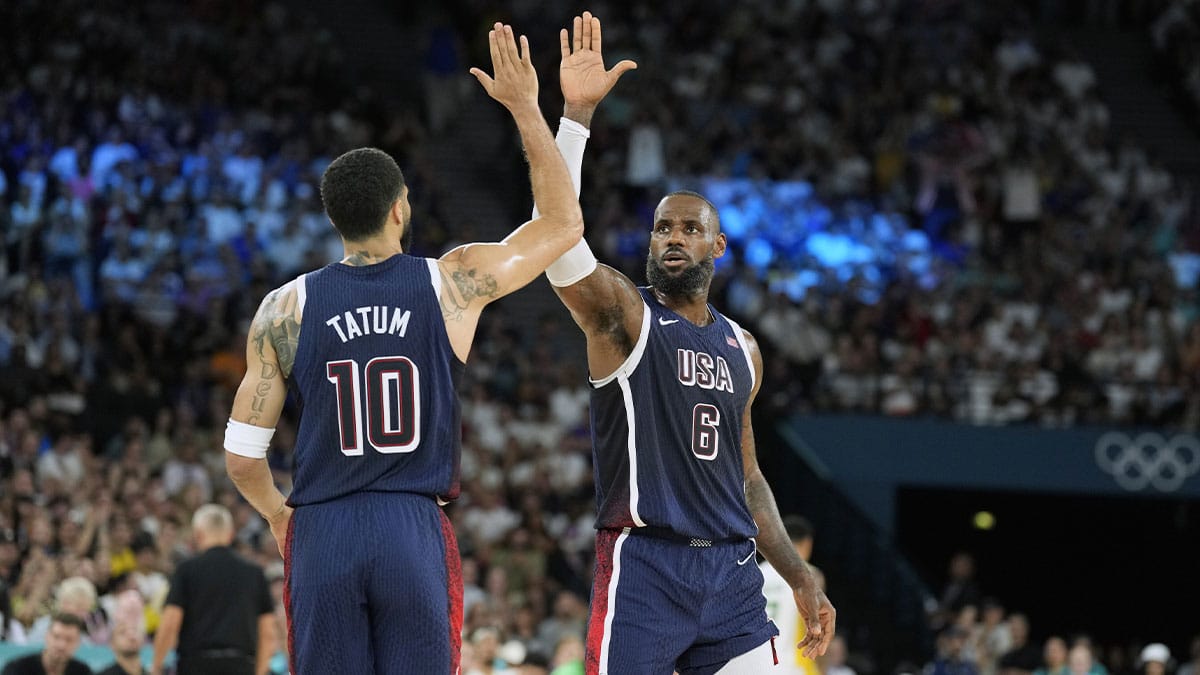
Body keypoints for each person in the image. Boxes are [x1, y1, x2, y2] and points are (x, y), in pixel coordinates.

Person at [222, 20, 585, 675]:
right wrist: (530, 109)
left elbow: (243, 458)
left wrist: (282, 518)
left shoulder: (284, 307)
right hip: (411, 526)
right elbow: (562, 226)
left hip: (323, 529)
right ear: (398, 210)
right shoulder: (450, 281)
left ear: (337, 218)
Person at [537, 12, 834, 673]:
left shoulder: (745, 348)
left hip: (731, 573)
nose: (672, 236)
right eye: (662, 227)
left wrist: (796, 571)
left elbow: (749, 478)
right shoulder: (625, 318)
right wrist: (577, 119)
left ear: (717, 246)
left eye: (689, 228)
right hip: (646, 566)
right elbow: (555, 241)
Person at [149, 504, 274, 675]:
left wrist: (156, 666)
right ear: (230, 535)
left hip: (196, 665)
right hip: (241, 665)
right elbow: (267, 632)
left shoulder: (187, 570)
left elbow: (170, 622)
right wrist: (259, 672)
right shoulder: (254, 573)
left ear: (198, 535)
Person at [760, 515, 820, 675]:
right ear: (807, 543)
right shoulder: (810, 575)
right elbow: (816, 631)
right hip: (790, 667)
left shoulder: (757, 573)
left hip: (755, 664)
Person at [1, 613, 93, 675]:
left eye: (69, 640)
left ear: (78, 643)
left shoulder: (83, 672)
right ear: (47, 636)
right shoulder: (17, 668)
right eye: (56, 637)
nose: (61, 645)